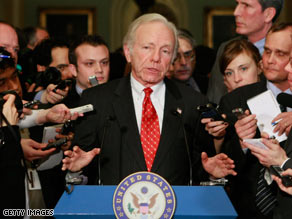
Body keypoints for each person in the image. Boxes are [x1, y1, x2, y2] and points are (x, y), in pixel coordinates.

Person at [62, 13, 236, 186]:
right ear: (128, 52)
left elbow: (200, 169)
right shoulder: (97, 100)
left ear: (172, 59)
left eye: (165, 51)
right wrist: (76, 171)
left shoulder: (193, 103)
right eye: (147, 48)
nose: (156, 58)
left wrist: (213, 175)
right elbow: (82, 165)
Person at [218, 23, 292, 218]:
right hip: (244, 209)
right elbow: (222, 164)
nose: (270, 60)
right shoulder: (235, 100)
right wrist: (241, 144)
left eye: (281, 54)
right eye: (267, 52)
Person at [207, 0, 284, 104]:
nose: (236, 12)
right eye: (237, 4)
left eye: (246, 5)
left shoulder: (288, 51)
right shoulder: (225, 48)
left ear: (268, 14)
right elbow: (215, 98)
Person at [202, 39, 262, 153]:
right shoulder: (223, 115)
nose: (237, 79)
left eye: (243, 69)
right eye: (229, 73)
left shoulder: (277, 101)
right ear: (225, 81)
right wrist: (218, 138)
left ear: (259, 67)